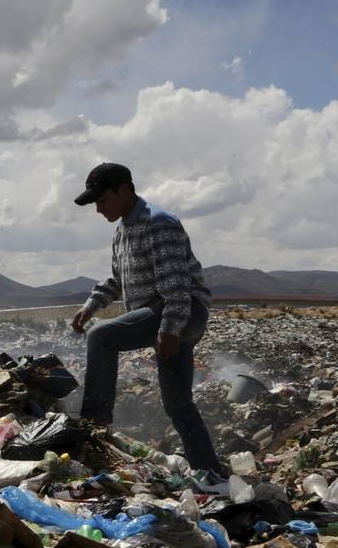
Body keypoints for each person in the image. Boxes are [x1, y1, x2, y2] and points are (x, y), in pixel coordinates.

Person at [69, 162, 224, 477]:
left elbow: (176, 285)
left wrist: (170, 328)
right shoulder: (122, 231)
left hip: (181, 310)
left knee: (101, 337)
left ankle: (93, 425)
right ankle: (211, 473)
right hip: (168, 314)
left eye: (103, 200)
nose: (99, 209)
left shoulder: (158, 223)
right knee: (177, 403)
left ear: (124, 190)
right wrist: (92, 305)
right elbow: (117, 280)